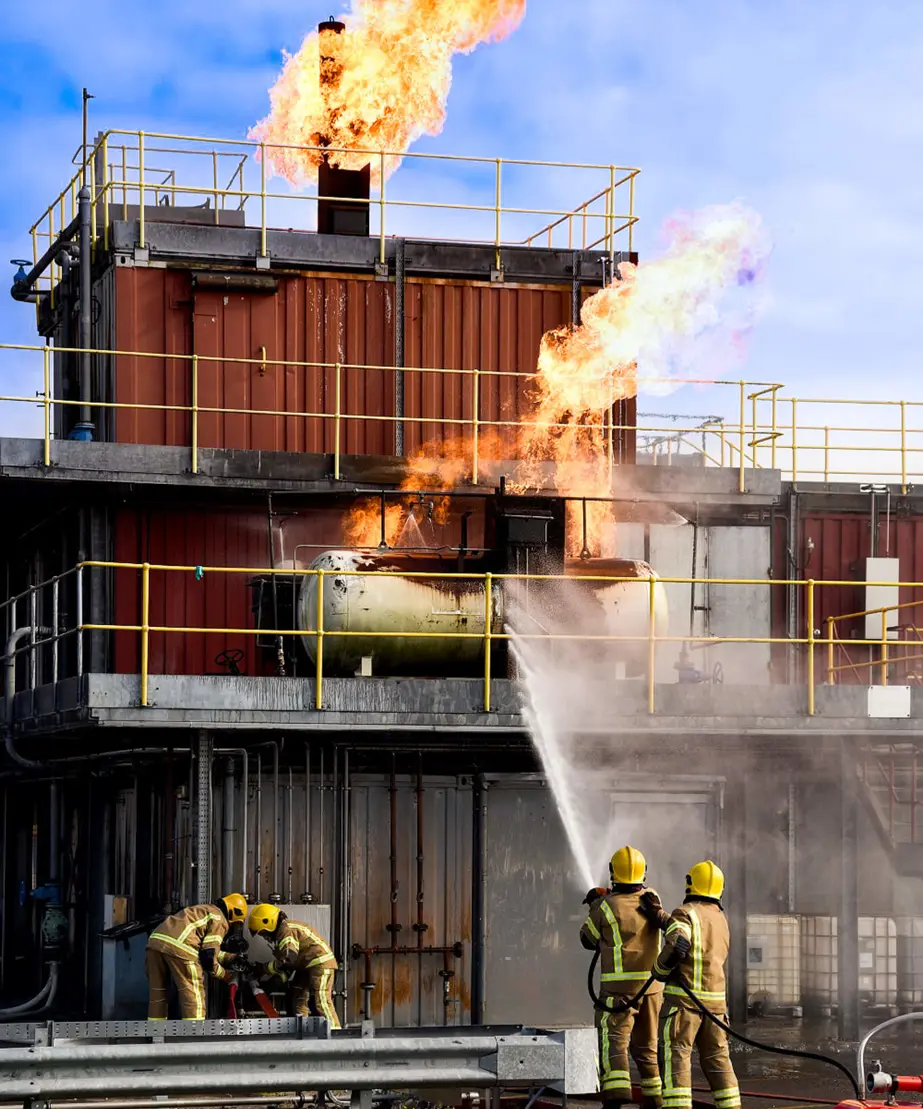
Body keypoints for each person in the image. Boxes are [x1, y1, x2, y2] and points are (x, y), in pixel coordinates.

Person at [641, 860, 740, 1109]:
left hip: (684, 1007)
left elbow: (679, 943)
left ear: (689, 884)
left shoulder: (686, 912)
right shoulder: (720, 919)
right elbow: (695, 936)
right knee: (718, 1061)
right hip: (715, 1009)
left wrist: (659, 970)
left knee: (676, 1058)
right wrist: (661, 917)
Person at [579, 845, 666, 1109]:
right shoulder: (653, 899)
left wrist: (595, 903)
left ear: (613, 874)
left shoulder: (605, 907)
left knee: (614, 1044)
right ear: (643, 873)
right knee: (648, 1048)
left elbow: (587, 939)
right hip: (652, 991)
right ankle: (653, 1100)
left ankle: (616, 1100)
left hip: (618, 992)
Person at [146, 892, 248, 1020]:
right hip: (181, 947)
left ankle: (156, 1032)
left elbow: (204, 949)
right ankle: (195, 1034)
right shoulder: (219, 918)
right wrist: (226, 976)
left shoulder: (203, 909)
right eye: (235, 923)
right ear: (234, 912)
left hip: (155, 943)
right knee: (193, 993)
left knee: (158, 992)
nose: (232, 927)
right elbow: (208, 959)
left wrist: (231, 957)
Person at [247, 903, 340, 1028]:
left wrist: (264, 969)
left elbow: (289, 959)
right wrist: (276, 980)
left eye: (263, 933)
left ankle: (335, 1034)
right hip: (305, 966)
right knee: (299, 1000)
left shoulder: (286, 930)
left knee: (322, 1000)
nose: (264, 937)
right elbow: (288, 966)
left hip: (320, 963)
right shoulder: (281, 935)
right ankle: (303, 1035)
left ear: (268, 923)